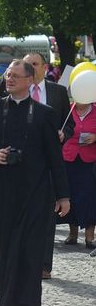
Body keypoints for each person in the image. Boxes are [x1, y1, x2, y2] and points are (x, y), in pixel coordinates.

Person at [0, 59, 70, 306]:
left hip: (36, 192)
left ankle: (27, 304)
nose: (9, 79)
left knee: (30, 247)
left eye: (15, 75)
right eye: (7, 75)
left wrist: (63, 195)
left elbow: (55, 158)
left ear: (30, 80)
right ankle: (6, 298)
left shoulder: (45, 114)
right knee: (4, 245)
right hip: (2, 190)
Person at [59, 102, 96, 248]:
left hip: (89, 161)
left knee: (90, 197)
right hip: (69, 158)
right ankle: (72, 233)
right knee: (70, 196)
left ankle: (90, 236)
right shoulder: (67, 110)